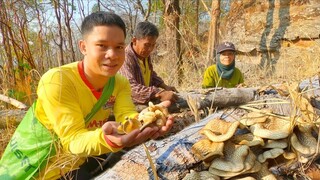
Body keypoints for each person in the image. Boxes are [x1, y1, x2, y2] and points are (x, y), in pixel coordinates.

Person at [0, 12, 173, 180]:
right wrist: (108, 140)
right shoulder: (58, 81)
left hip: (79, 157)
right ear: (83, 47)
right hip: (42, 167)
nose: (112, 54)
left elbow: (128, 116)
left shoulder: (119, 83)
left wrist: (146, 121)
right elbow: (73, 140)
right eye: (102, 46)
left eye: (119, 47)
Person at [119, 21, 178, 106]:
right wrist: (159, 93)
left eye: (153, 45)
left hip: (145, 102)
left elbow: (150, 74)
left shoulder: (144, 55)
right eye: (146, 45)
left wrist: (165, 87)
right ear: (135, 40)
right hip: (128, 106)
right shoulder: (125, 58)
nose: (150, 49)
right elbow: (130, 88)